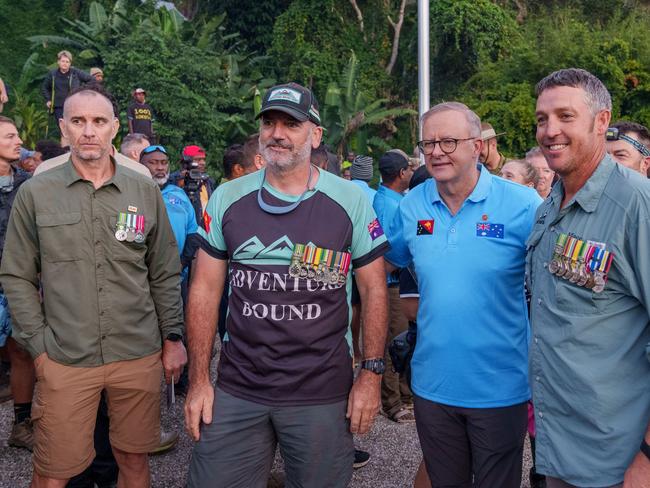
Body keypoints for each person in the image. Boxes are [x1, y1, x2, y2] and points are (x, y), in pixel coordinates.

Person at [184, 82, 389, 488]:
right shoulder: (228, 197)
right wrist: (199, 381)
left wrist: (370, 376)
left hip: (322, 392)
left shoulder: (350, 199)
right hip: (240, 386)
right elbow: (205, 290)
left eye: (291, 124)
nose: (278, 133)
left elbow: (374, 290)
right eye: (270, 123)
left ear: (314, 135)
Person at [0, 83, 187, 487]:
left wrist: (172, 337)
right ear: (64, 128)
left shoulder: (143, 191)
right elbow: (16, 274)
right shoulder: (36, 194)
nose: (89, 131)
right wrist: (38, 345)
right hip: (66, 356)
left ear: (114, 128)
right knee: (52, 470)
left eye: (99, 121)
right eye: (79, 121)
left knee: (133, 462)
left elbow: (164, 270)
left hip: (136, 353)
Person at [386, 101, 542, 487]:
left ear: (477, 146)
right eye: (428, 143)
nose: (436, 151)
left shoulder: (523, 205)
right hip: (432, 385)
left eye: (449, 141)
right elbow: (387, 262)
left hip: (500, 387)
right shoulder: (412, 204)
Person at [527, 68, 650, 488]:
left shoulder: (636, 204)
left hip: (617, 458)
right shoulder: (552, 203)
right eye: (543, 119)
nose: (550, 131)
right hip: (560, 446)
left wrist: (648, 456)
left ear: (602, 122)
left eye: (565, 116)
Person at [0, 117, 35, 451]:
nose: (18, 140)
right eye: (10, 136)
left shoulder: (29, 185)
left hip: (18, 283)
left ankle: (21, 424)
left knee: (22, 350)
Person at [373, 149, 415, 423]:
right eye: (409, 169)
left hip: (392, 281)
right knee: (394, 341)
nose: (411, 173)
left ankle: (403, 394)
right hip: (390, 283)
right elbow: (390, 248)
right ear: (401, 174)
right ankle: (392, 402)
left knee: (400, 339)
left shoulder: (384, 199)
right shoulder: (393, 205)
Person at [40, 50, 93, 124]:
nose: (65, 63)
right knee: (62, 127)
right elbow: (44, 87)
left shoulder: (75, 72)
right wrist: (48, 100)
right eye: (63, 61)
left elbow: (91, 79)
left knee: (73, 127)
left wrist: (82, 90)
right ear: (58, 62)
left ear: (70, 63)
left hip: (73, 105)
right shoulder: (52, 74)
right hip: (58, 106)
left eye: (67, 62)